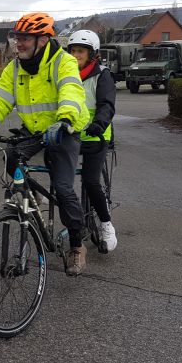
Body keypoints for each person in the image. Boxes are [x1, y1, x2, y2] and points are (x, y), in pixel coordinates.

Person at [0, 12, 91, 276]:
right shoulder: (14, 68)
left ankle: (77, 246)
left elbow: (71, 91)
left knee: (63, 188)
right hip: (35, 130)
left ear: (43, 40)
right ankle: (31, 197)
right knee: (10, 157)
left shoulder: (64, 63)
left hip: (64, 128)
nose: (18, 44)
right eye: (16, 38)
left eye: (25, 38)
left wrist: (65, 120)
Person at [66, 29, 117, 254]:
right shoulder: (65, 74)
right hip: (71, 135)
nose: (76, 55)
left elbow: (106, 104)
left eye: (81, 51)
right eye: (73, 51)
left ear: (92, 54)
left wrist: (99, 124)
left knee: (90, 180)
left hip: (96, 135)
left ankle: (106, 225)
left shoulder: (102, 75)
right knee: (57, 174)